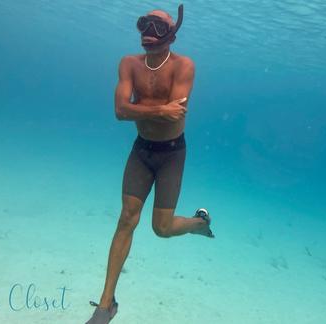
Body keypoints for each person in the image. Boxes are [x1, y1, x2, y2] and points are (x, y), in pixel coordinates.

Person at [85, 5, 214, 324]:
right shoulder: (128, 64)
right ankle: (106, 304)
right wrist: (158, 110)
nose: (149, 32)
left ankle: (199, 224)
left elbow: (176, 112)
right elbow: (119, 111)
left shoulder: (184, 66)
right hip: (141, 151)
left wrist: (139, 108)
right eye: (144, 24)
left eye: (158, 26)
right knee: (126, 218)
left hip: (172, 154)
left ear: (172, 33)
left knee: (162, 228)